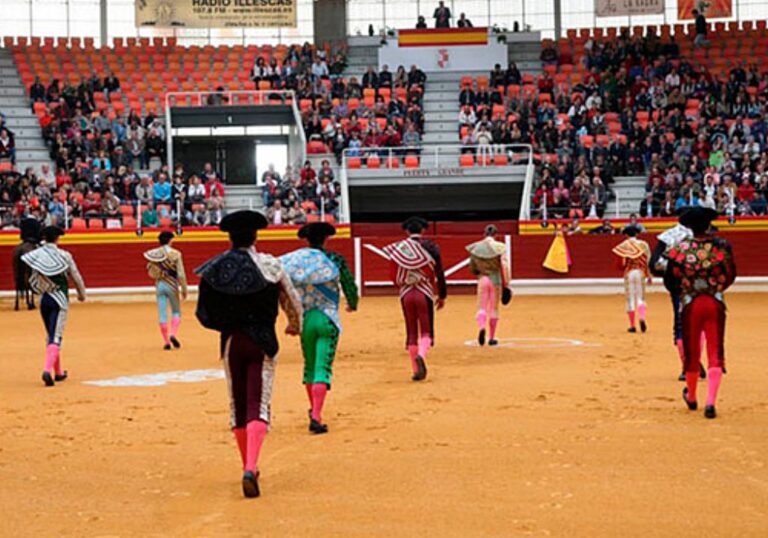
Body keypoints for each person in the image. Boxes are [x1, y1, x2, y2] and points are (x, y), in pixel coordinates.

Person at [195, 210, 302, 498]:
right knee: (259, 404)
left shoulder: (215, 268)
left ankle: (247, 464)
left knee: (238, 406)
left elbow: (203, 314)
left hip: (231, 342)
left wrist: (227, 325)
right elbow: (292, 299)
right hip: (262, 341)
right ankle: (251, 466)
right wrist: (295, 325)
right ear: (256, 235)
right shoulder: (270, 265)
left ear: (229, 237)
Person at [280, 222, 358, 434]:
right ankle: (316, 414)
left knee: (310, 366)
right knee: (323, 368)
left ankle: (314, 409)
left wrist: (291, 318)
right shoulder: (334, 260)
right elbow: (349, 284)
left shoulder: (294, 261)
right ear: (326, 239)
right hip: (327, 317)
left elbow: (282, 286)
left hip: (305, 319)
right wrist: (352, 302)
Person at [667, 207, 736, 419]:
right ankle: (710, 402)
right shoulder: (721, 246)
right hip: (714, 303)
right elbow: (731, 273)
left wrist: (686, 290)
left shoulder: (681, 248)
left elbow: (670, 279)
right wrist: (716, 288)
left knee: (692, 351)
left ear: (688, 226)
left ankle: (693, 396)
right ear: (708, 225)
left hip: (691, 304)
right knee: (715, 351)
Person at [21, 226, 86, 387]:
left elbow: (31, 277)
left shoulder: (36, 255)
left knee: (50, 335)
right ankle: (46, 370)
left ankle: (58, 372)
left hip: (44, 300)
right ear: (58, 238)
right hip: (59, 299)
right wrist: (81, 294)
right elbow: (76, 276)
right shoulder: (65, 256)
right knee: (56, 336)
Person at [383, 217, 447, 381]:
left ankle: (414, 368)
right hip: (424, 291)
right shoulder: (431, 248)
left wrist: (404, 284)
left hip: (406, 293)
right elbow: (439, 273)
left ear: (406, 231)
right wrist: (442, 295)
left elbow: (393, 275)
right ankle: (421, 355)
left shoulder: (398, 249)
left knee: (411, 332)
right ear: (423, 231)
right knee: (426, 331)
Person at [649, 213, 706, 381]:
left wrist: (671, 269)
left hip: (676, 287)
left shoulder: (668, 236)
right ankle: (694, 361)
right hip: (698, 287)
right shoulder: (701, 237)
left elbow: (654, 264)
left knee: (680, 325)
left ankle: (686, 365)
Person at [466, 225, 512, 346]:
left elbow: (472, 266)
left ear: (484, 234)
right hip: (495, 280)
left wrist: (477, 272)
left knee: (481, 307)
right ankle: (491, 338)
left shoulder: (476, 248)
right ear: (495, 235)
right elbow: (505, 266)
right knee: (494, 309)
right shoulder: (499, 247)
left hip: (482, 279)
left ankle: (481, 327)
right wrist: (506, 283)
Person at [144, 231, 188, 350]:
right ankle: (173, 334)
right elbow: (181, 274)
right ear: (170, 240)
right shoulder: (176, 254)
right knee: (176, 312)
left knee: (162, 314)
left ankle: (166, 341)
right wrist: (184, 289)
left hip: (160, 285)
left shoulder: (154, 254)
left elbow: (149, 270)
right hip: (172, 285)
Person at [612, 226, 651, 333]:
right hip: (641, 272)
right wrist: (649, 275)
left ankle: (632, 325)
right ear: (637, 234)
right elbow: (648, 260)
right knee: (641, 298)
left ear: (626, 235)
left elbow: (621, 264)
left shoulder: (624, 245)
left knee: (630, 299)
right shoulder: (644, 244)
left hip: (629, 273)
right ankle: (642, 317)